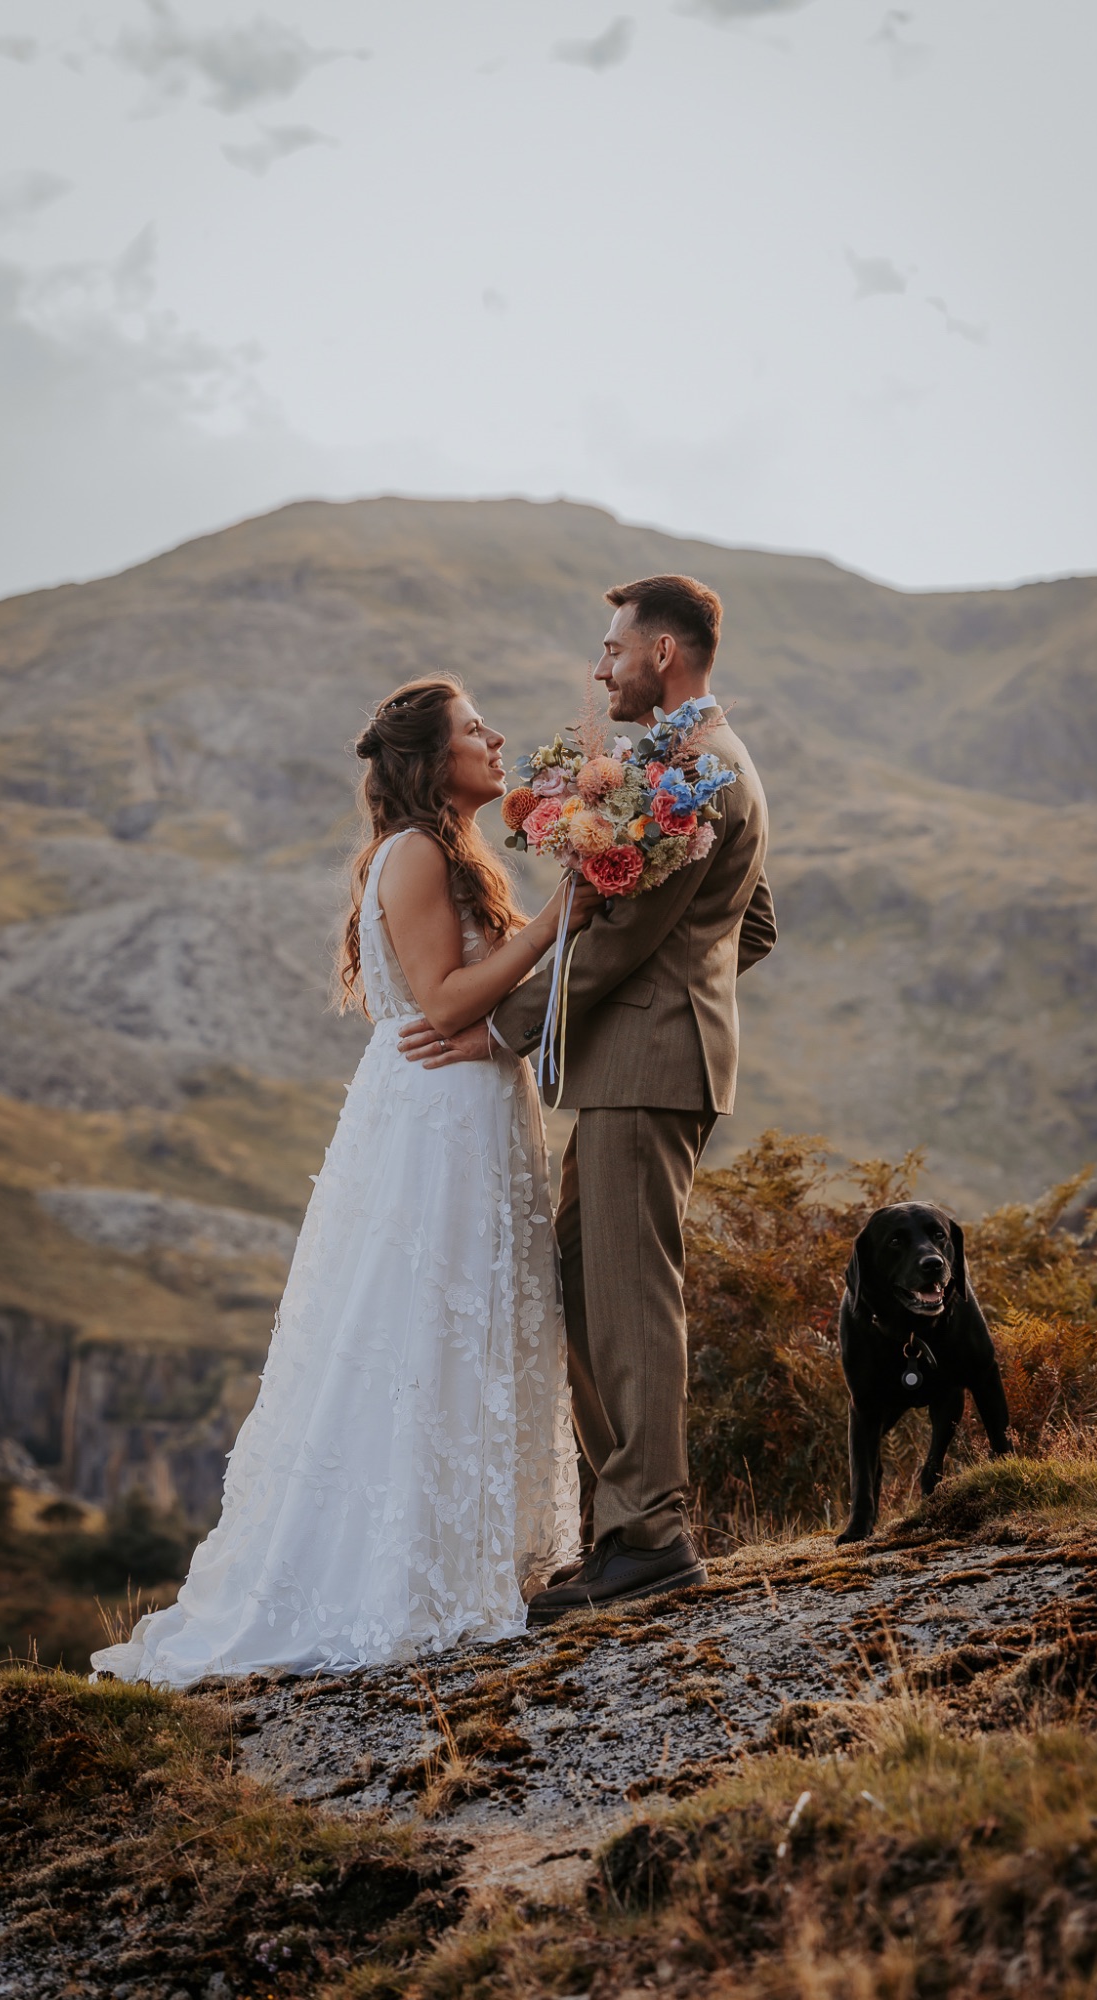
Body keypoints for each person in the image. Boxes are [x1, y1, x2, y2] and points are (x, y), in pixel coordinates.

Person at [92, 677, 598, 1686]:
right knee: (425, 1327)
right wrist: (558, 916)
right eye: (474, 729)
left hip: (469, 1106)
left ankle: (469, 1553)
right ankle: (400, 1575)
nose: (496, 737)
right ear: (431, 758)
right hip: (436, 1120)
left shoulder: (451, 848)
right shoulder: (415, 853)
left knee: (469, 1321)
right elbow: (444, 1000)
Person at [401, 575, 776, 1622]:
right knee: (583, 1273)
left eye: (613, 649)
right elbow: (750, 925)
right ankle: (622, 1526)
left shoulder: (693, 772)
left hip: (648, 1072)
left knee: (628, 1295)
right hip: (645, 1060)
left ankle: (652, 1537)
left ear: (662, 653)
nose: (599, 667)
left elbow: (621, 941)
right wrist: (682, 987)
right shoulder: (697, 760)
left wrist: (500, 1029)